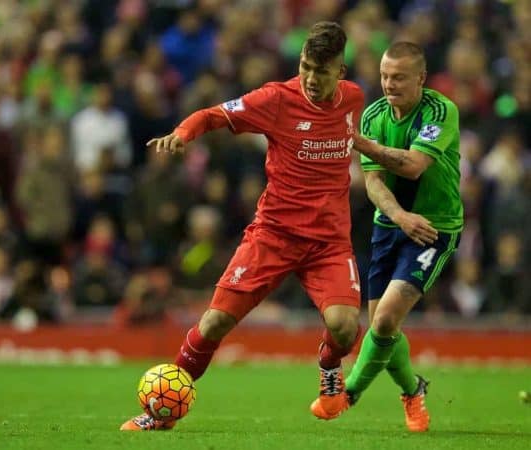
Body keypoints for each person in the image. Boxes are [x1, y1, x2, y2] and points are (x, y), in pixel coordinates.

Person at [120, 21, 365, 431]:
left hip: (328, 244)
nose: (310, 78)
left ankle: (328, 366)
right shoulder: (275, 98)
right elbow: (213, 114)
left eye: (321, 71)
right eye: (305, 66)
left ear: (340, 72)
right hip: (273, 236)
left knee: (344, 327)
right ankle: (160, 413)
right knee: (214, 322)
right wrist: (182, 133)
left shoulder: (354, 100)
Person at [315, 42, 463, 432]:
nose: (389, 84)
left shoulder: (440, 111)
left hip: (434, 228)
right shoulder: (375, 114)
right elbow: (373, 181)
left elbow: (414, 166)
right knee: (384, 327)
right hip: (390, 226)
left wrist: (360, 143)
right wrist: (399, 216)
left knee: (383, 321)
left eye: (398, 77)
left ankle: (348, 392)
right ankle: (413, 391)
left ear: (420, 78)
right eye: (384, 76)